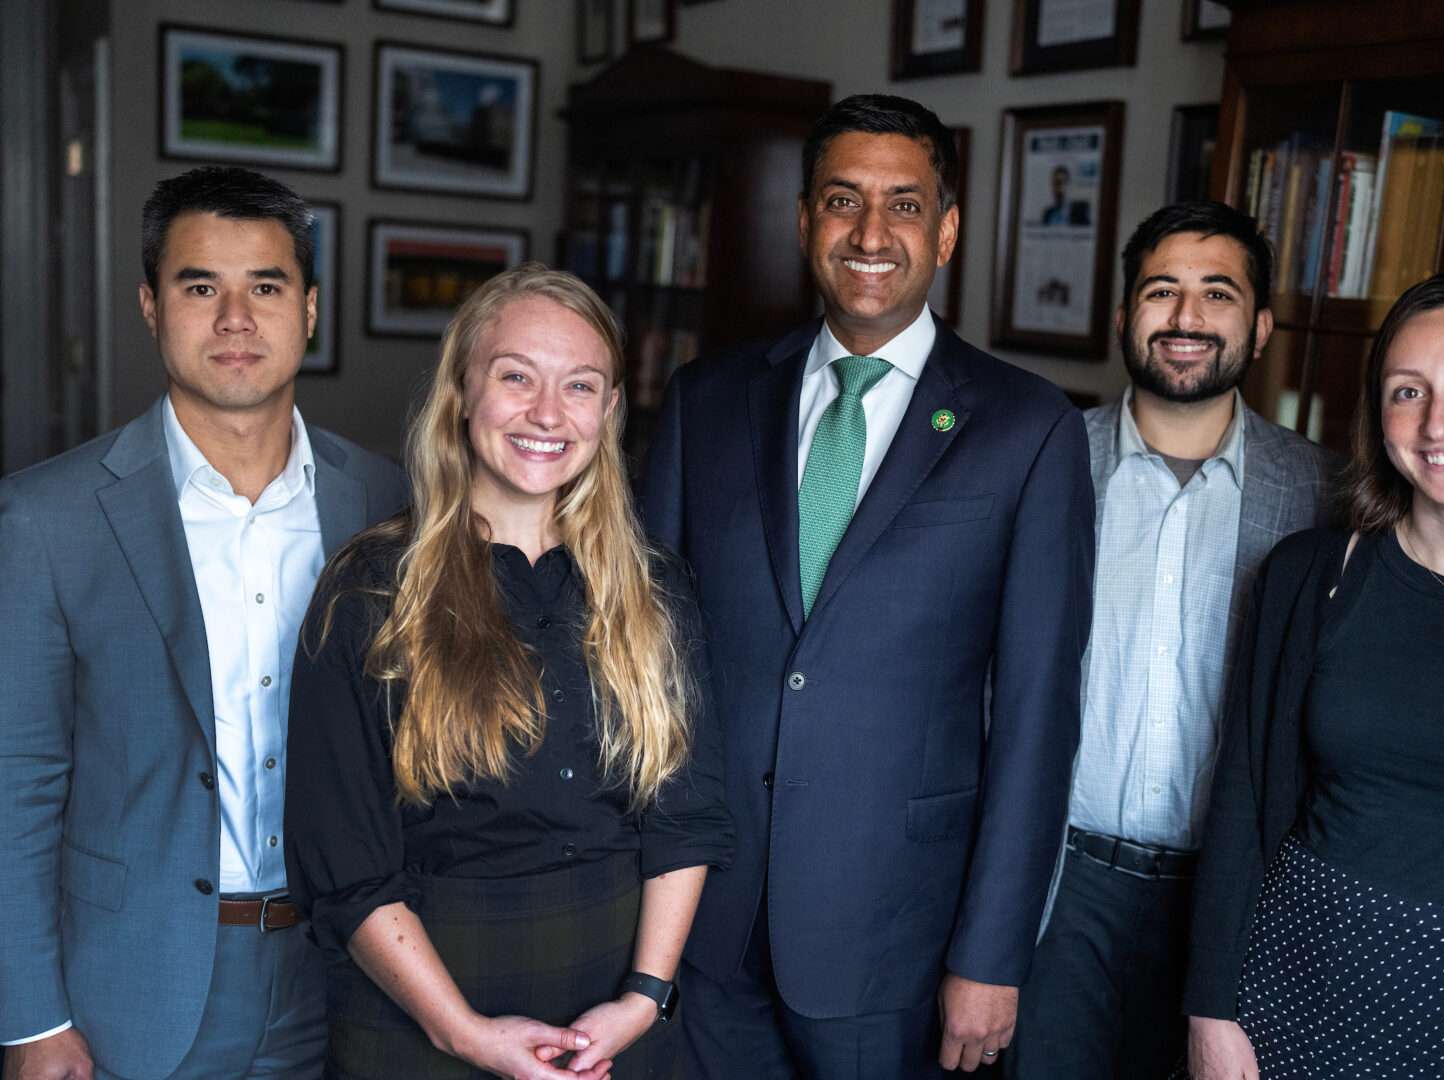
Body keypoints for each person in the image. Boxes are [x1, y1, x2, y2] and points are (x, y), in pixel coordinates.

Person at [638, 93, 1092, 1078]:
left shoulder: (1028, 429)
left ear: (948, 230)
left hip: (899, 940)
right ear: (804, 221)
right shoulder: (707, 401)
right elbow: (642, 663)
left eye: (905, 204)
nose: (872, 233)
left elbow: (1036, 716)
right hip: (701, 921)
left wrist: (991, 950)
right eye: (843, 201)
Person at [0, 166, 406, 1080]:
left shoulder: (385, 499)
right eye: (199, 287)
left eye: (266, 286)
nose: (235, 318)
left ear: (309, 309)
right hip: (134, 985)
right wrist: (30, 1020)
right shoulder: (45, 518)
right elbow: (14, 782)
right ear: (150, 306)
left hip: (350, 968)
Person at [285, 264, 733, 1080]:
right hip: (420, 1019)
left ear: (608, 411)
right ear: (462, 394)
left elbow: (686, 817)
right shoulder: (369, 589)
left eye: (581, 385)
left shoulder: (657, 588)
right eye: (516, 377)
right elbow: (344, 866)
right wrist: (461, 1032)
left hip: (618, 1021)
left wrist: (644, 999)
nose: (548, 414)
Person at [1183, 273, 1444, 1079]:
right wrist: (1211, 1010)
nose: (1437, 421)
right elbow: (1241, 801)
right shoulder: (1312, 575)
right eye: (1406, 391)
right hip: (1287, 995)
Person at [1008, 201, 1340, 1079]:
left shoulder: (1326, 497)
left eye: (1218, 294)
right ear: (1125, 316)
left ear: (1261, 326)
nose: (1187, 318)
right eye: (1162, 291)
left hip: (1235, 899)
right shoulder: (1042, 465)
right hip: (1058, 889)